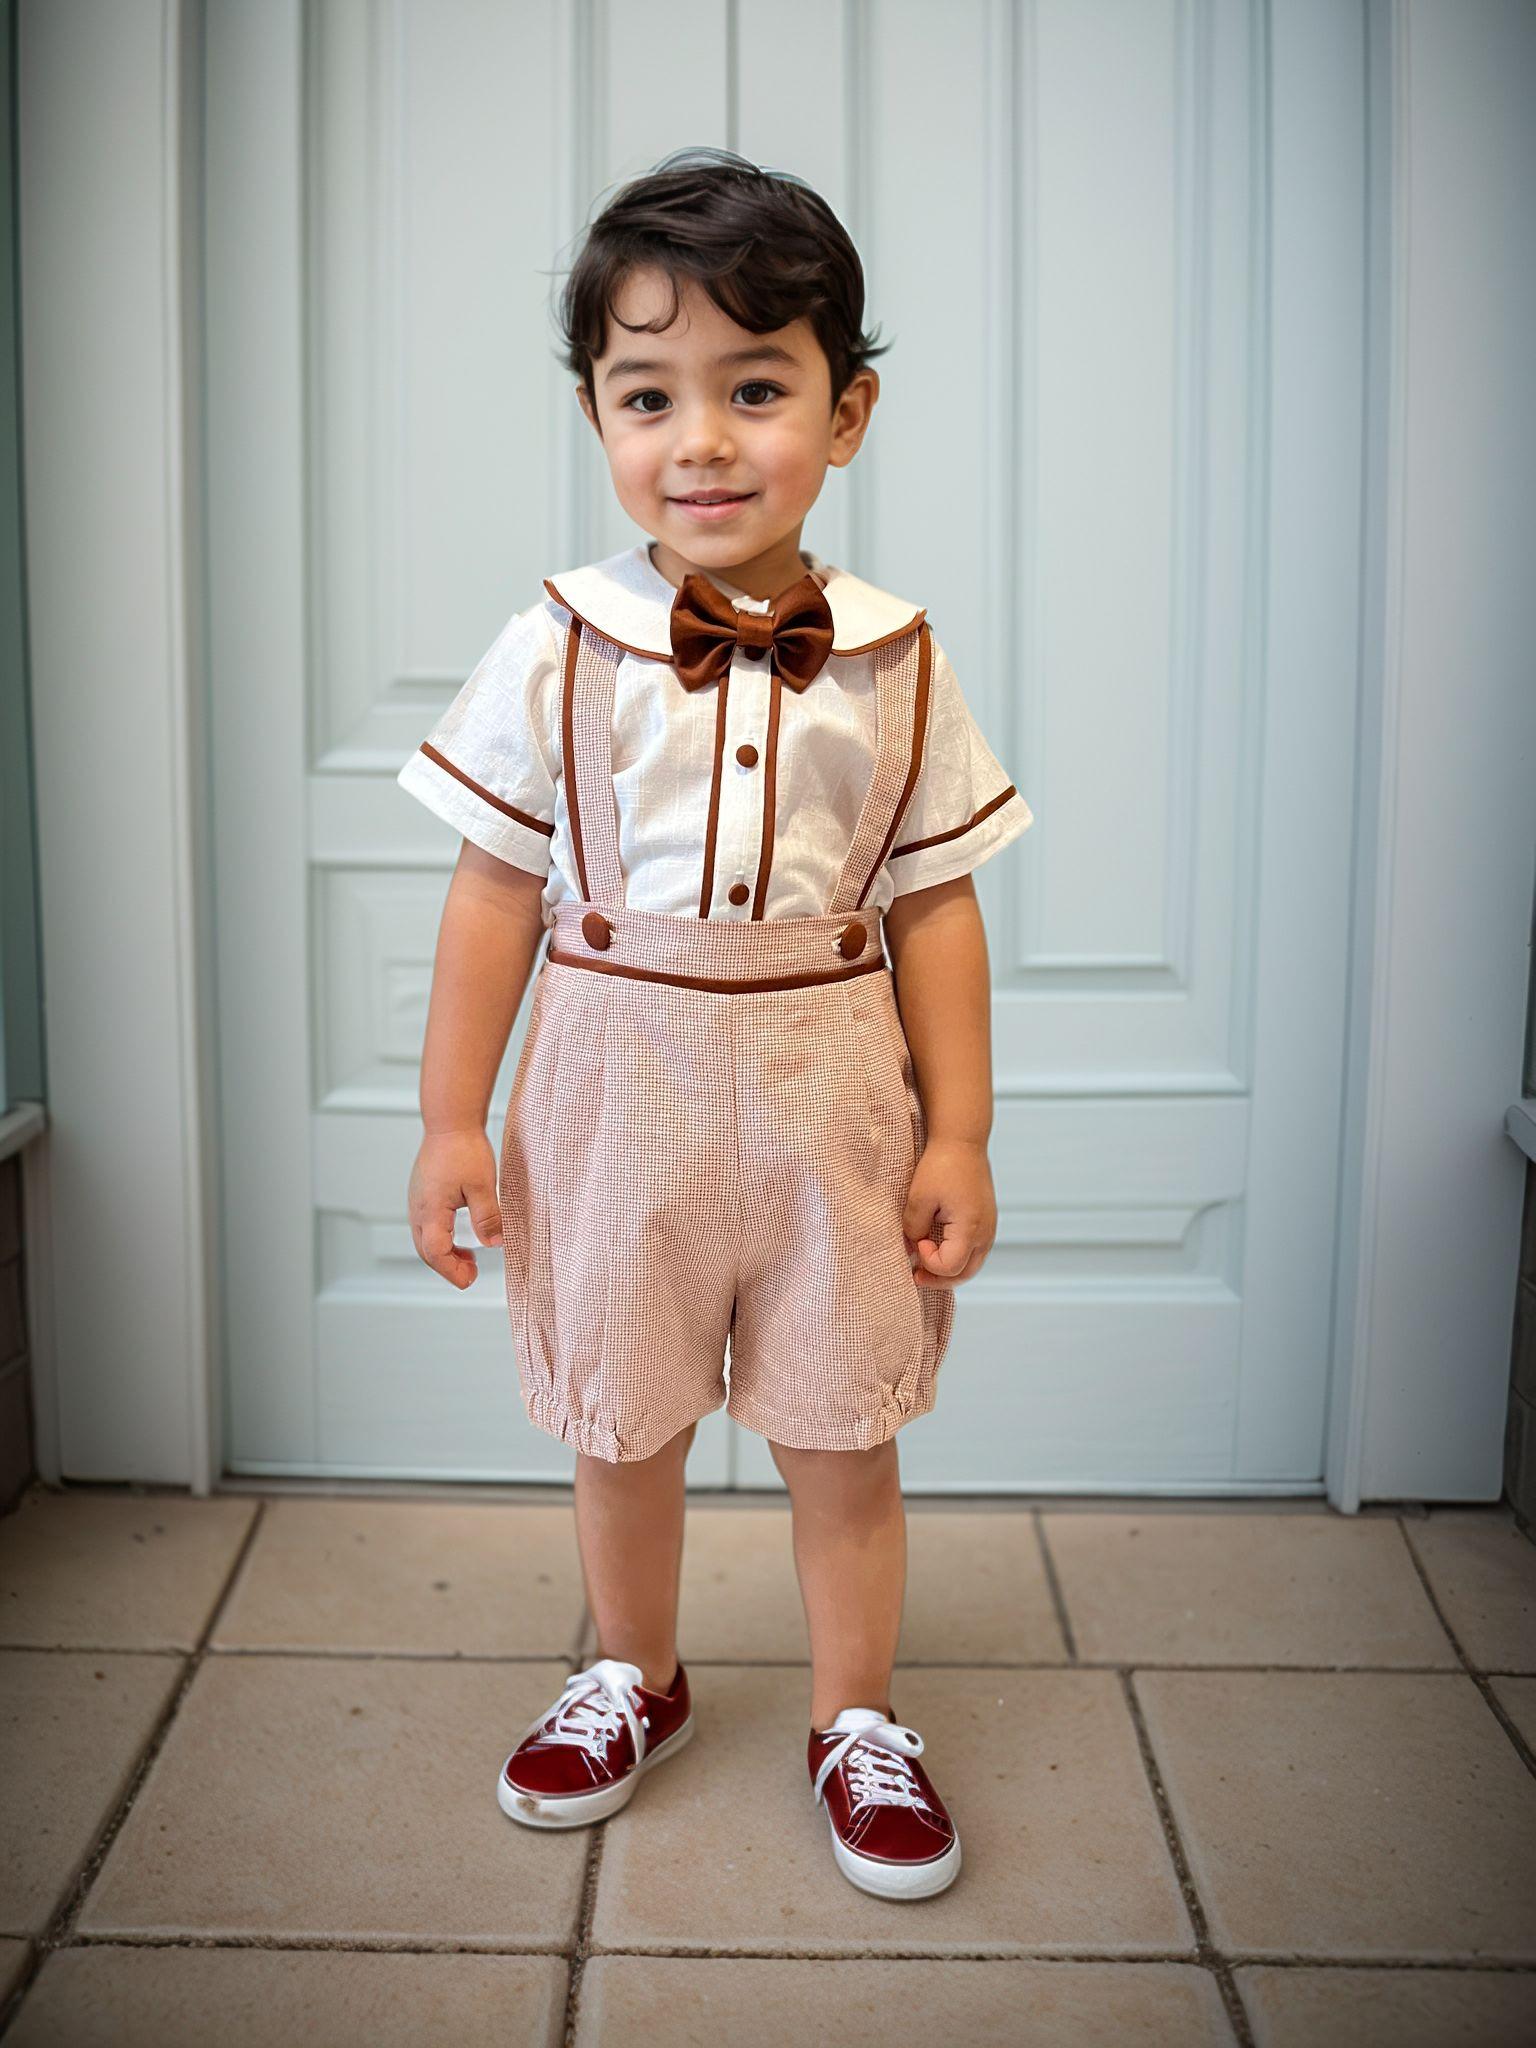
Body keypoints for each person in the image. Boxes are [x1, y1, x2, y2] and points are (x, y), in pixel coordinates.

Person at [398, 147, 1033, 1901]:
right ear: (596, 411)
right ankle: (634, 1670)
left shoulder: (897, 657)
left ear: (849, 412)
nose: (700, 440)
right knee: (626, 1414)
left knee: (843, 1422)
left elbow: (937, 903)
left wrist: (961, 1128)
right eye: (647, 394)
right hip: (614, 1077)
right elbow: (492, 896)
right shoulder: (561, 647)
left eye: (757, 389)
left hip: (834, 1080)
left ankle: (855, 1716)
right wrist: (455, 1120)